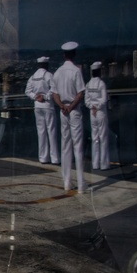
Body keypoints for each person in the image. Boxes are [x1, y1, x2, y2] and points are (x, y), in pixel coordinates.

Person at [52, 42, 86, 192]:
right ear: (74, 54)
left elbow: (55, 94)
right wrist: (71, 107)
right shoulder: (76, 71)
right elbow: (80, 93)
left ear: (64, 55)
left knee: (65, 146)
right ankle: (81, 184)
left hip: (63, 111)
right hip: (74, 110)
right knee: (77, 146)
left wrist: (62, 106)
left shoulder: (58, 72)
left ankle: (66, 182)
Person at [25, 56, 59, 164]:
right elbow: (54, 89)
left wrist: (36, 97)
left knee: (41, 132)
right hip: (48, 106)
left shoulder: (33, 77)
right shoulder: (49, 75)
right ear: (46, 64)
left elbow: (27, 91)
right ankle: (54, 158)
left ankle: (43, 157)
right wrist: (45, 97)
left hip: (37, 106)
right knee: (51, 131)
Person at [85, 61, 110, 171]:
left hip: (92, 113)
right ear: (99, 71)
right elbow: (104, 100)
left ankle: (95, 164)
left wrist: (92, 106)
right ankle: (104, 164)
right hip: (100, 113)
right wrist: (97, 107)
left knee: (95, 138)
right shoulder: (101, 84)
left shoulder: (88, 84)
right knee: (103, 138)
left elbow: (86, 100)